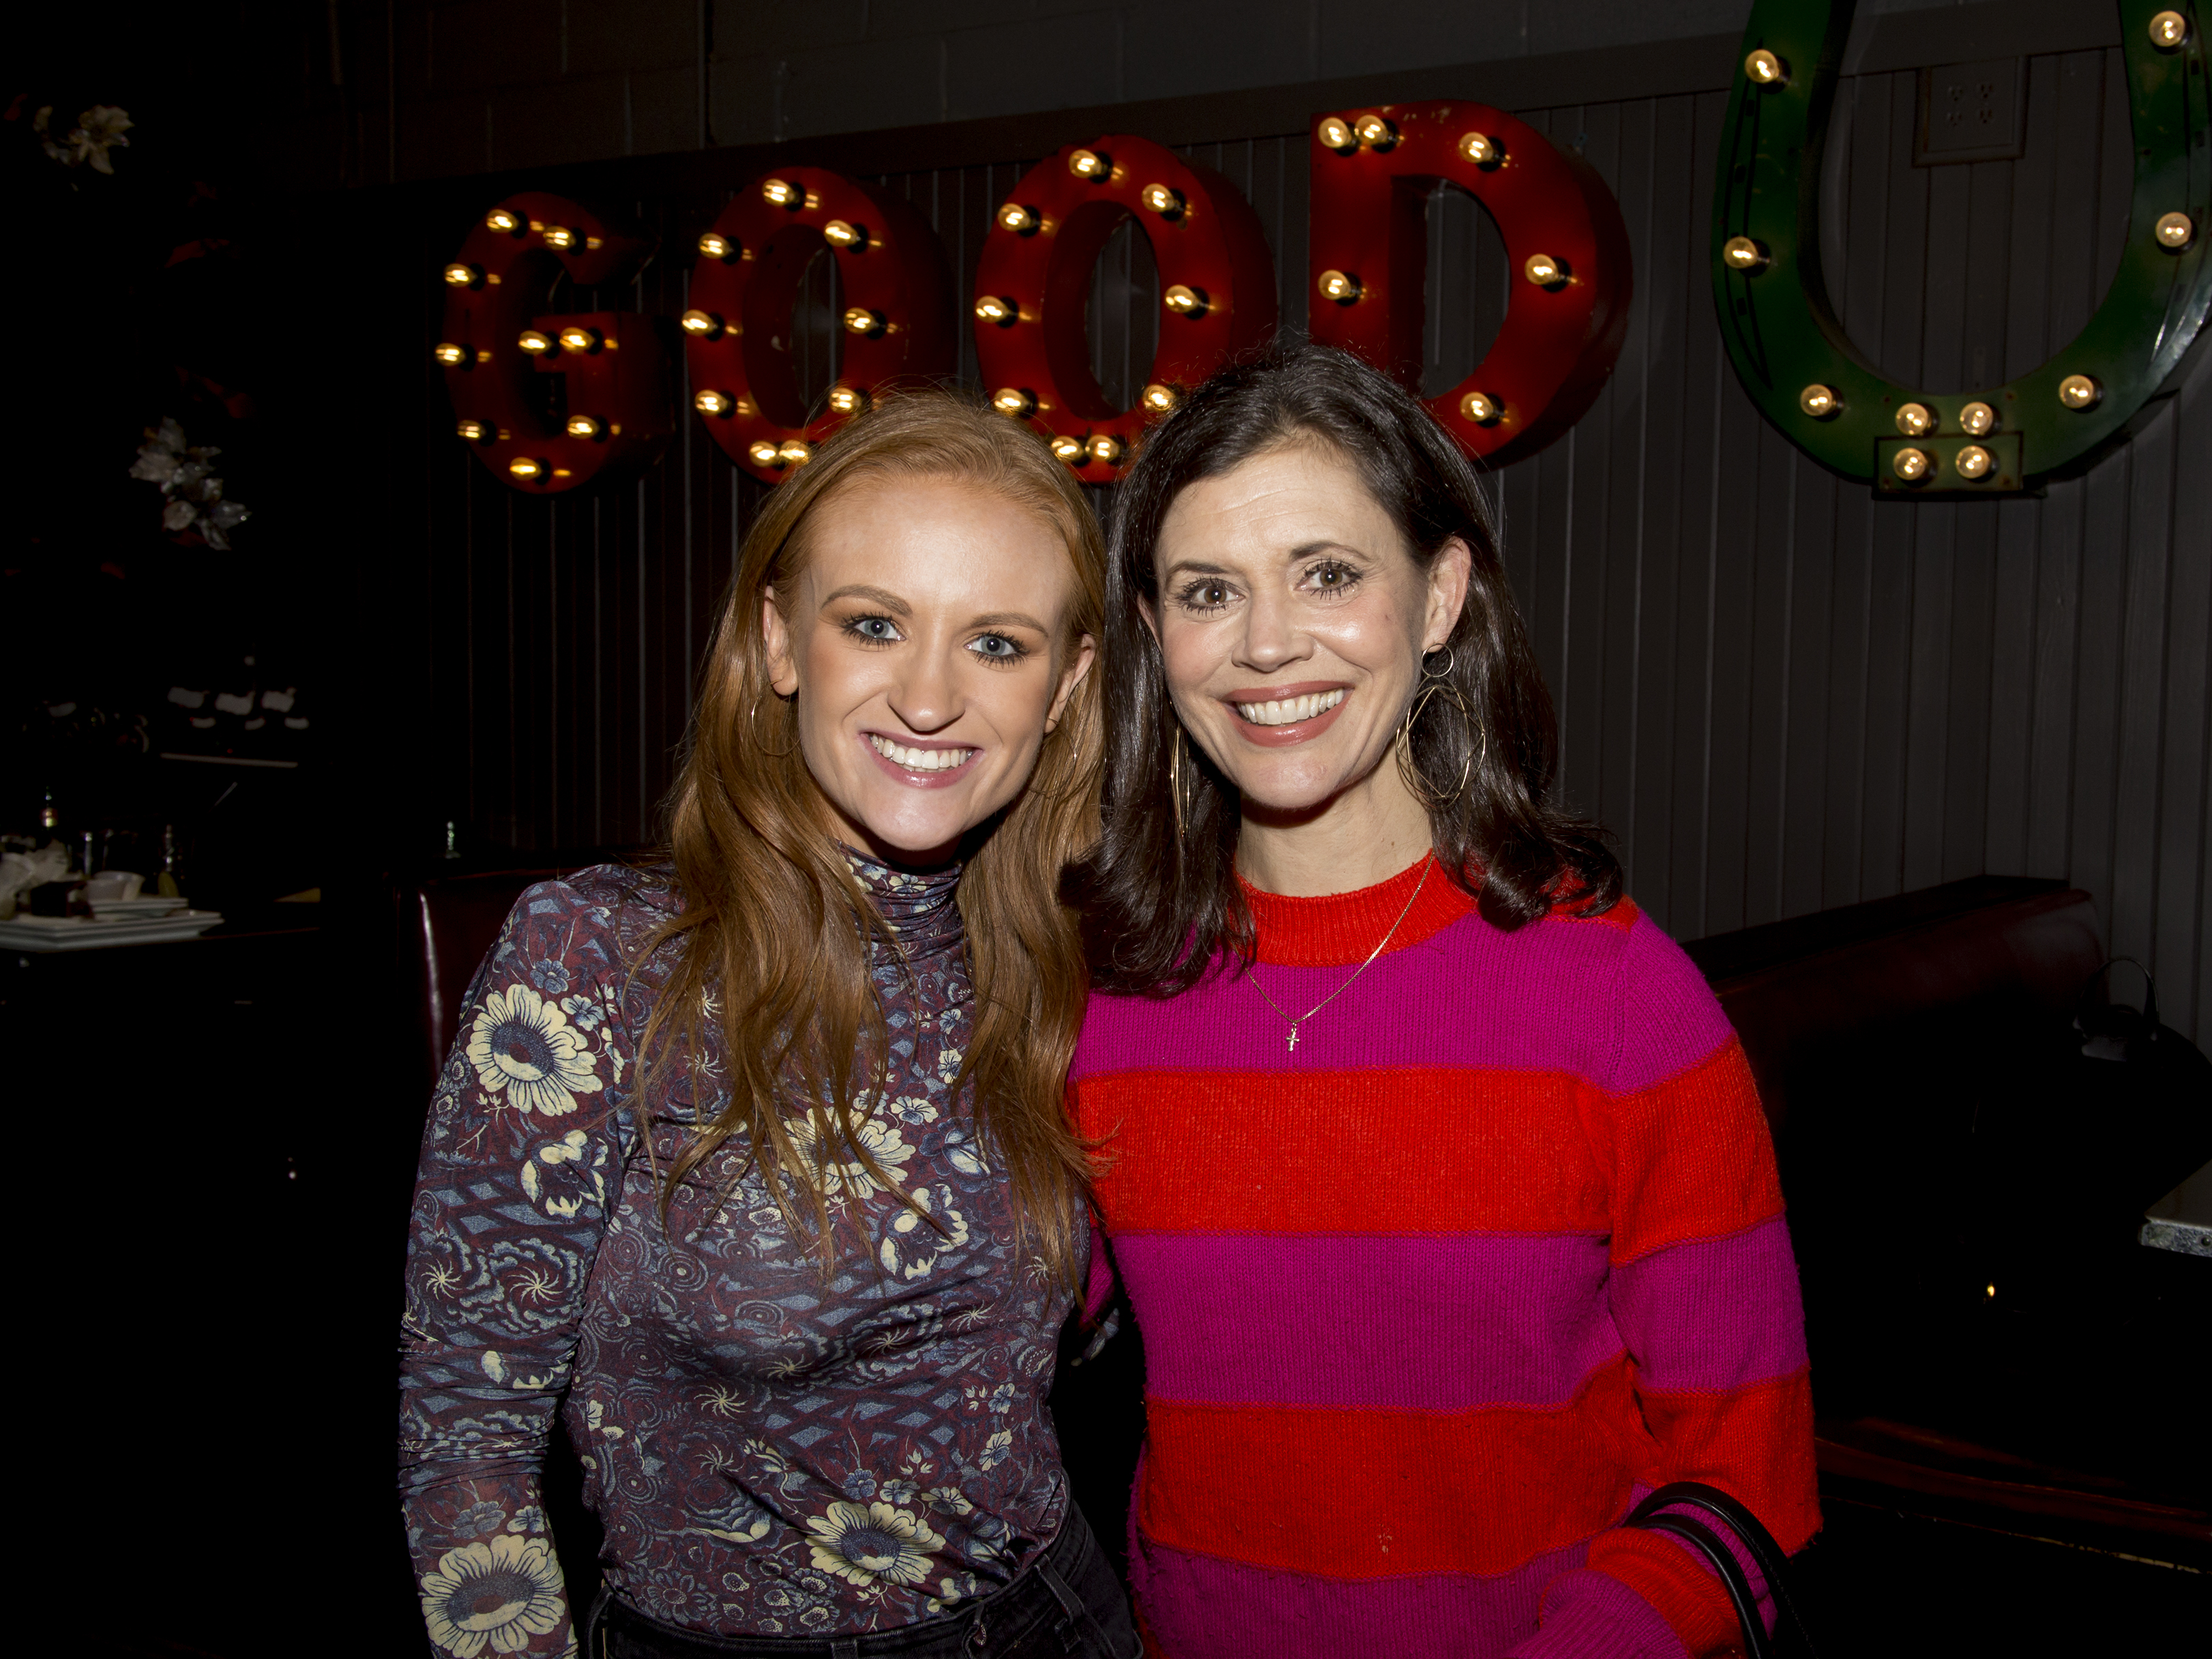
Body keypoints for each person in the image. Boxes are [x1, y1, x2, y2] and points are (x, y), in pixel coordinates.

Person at [1065, 346, 1818, 1659]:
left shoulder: (1620, 1000)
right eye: (1208, 592)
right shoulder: (1097, 996)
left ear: (1441, 597)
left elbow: (1747, 1478)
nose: (1266, 644)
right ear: (1154, 631)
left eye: (1328, 574)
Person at [398, 393, 1138, 1659]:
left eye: (997, 644)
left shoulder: (1061, 961)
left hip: (1052, 1624)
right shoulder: (598, 961)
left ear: (1067, 685)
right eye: (874, 624)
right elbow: (465, 1441)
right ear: (780, 639)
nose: (929, 697)